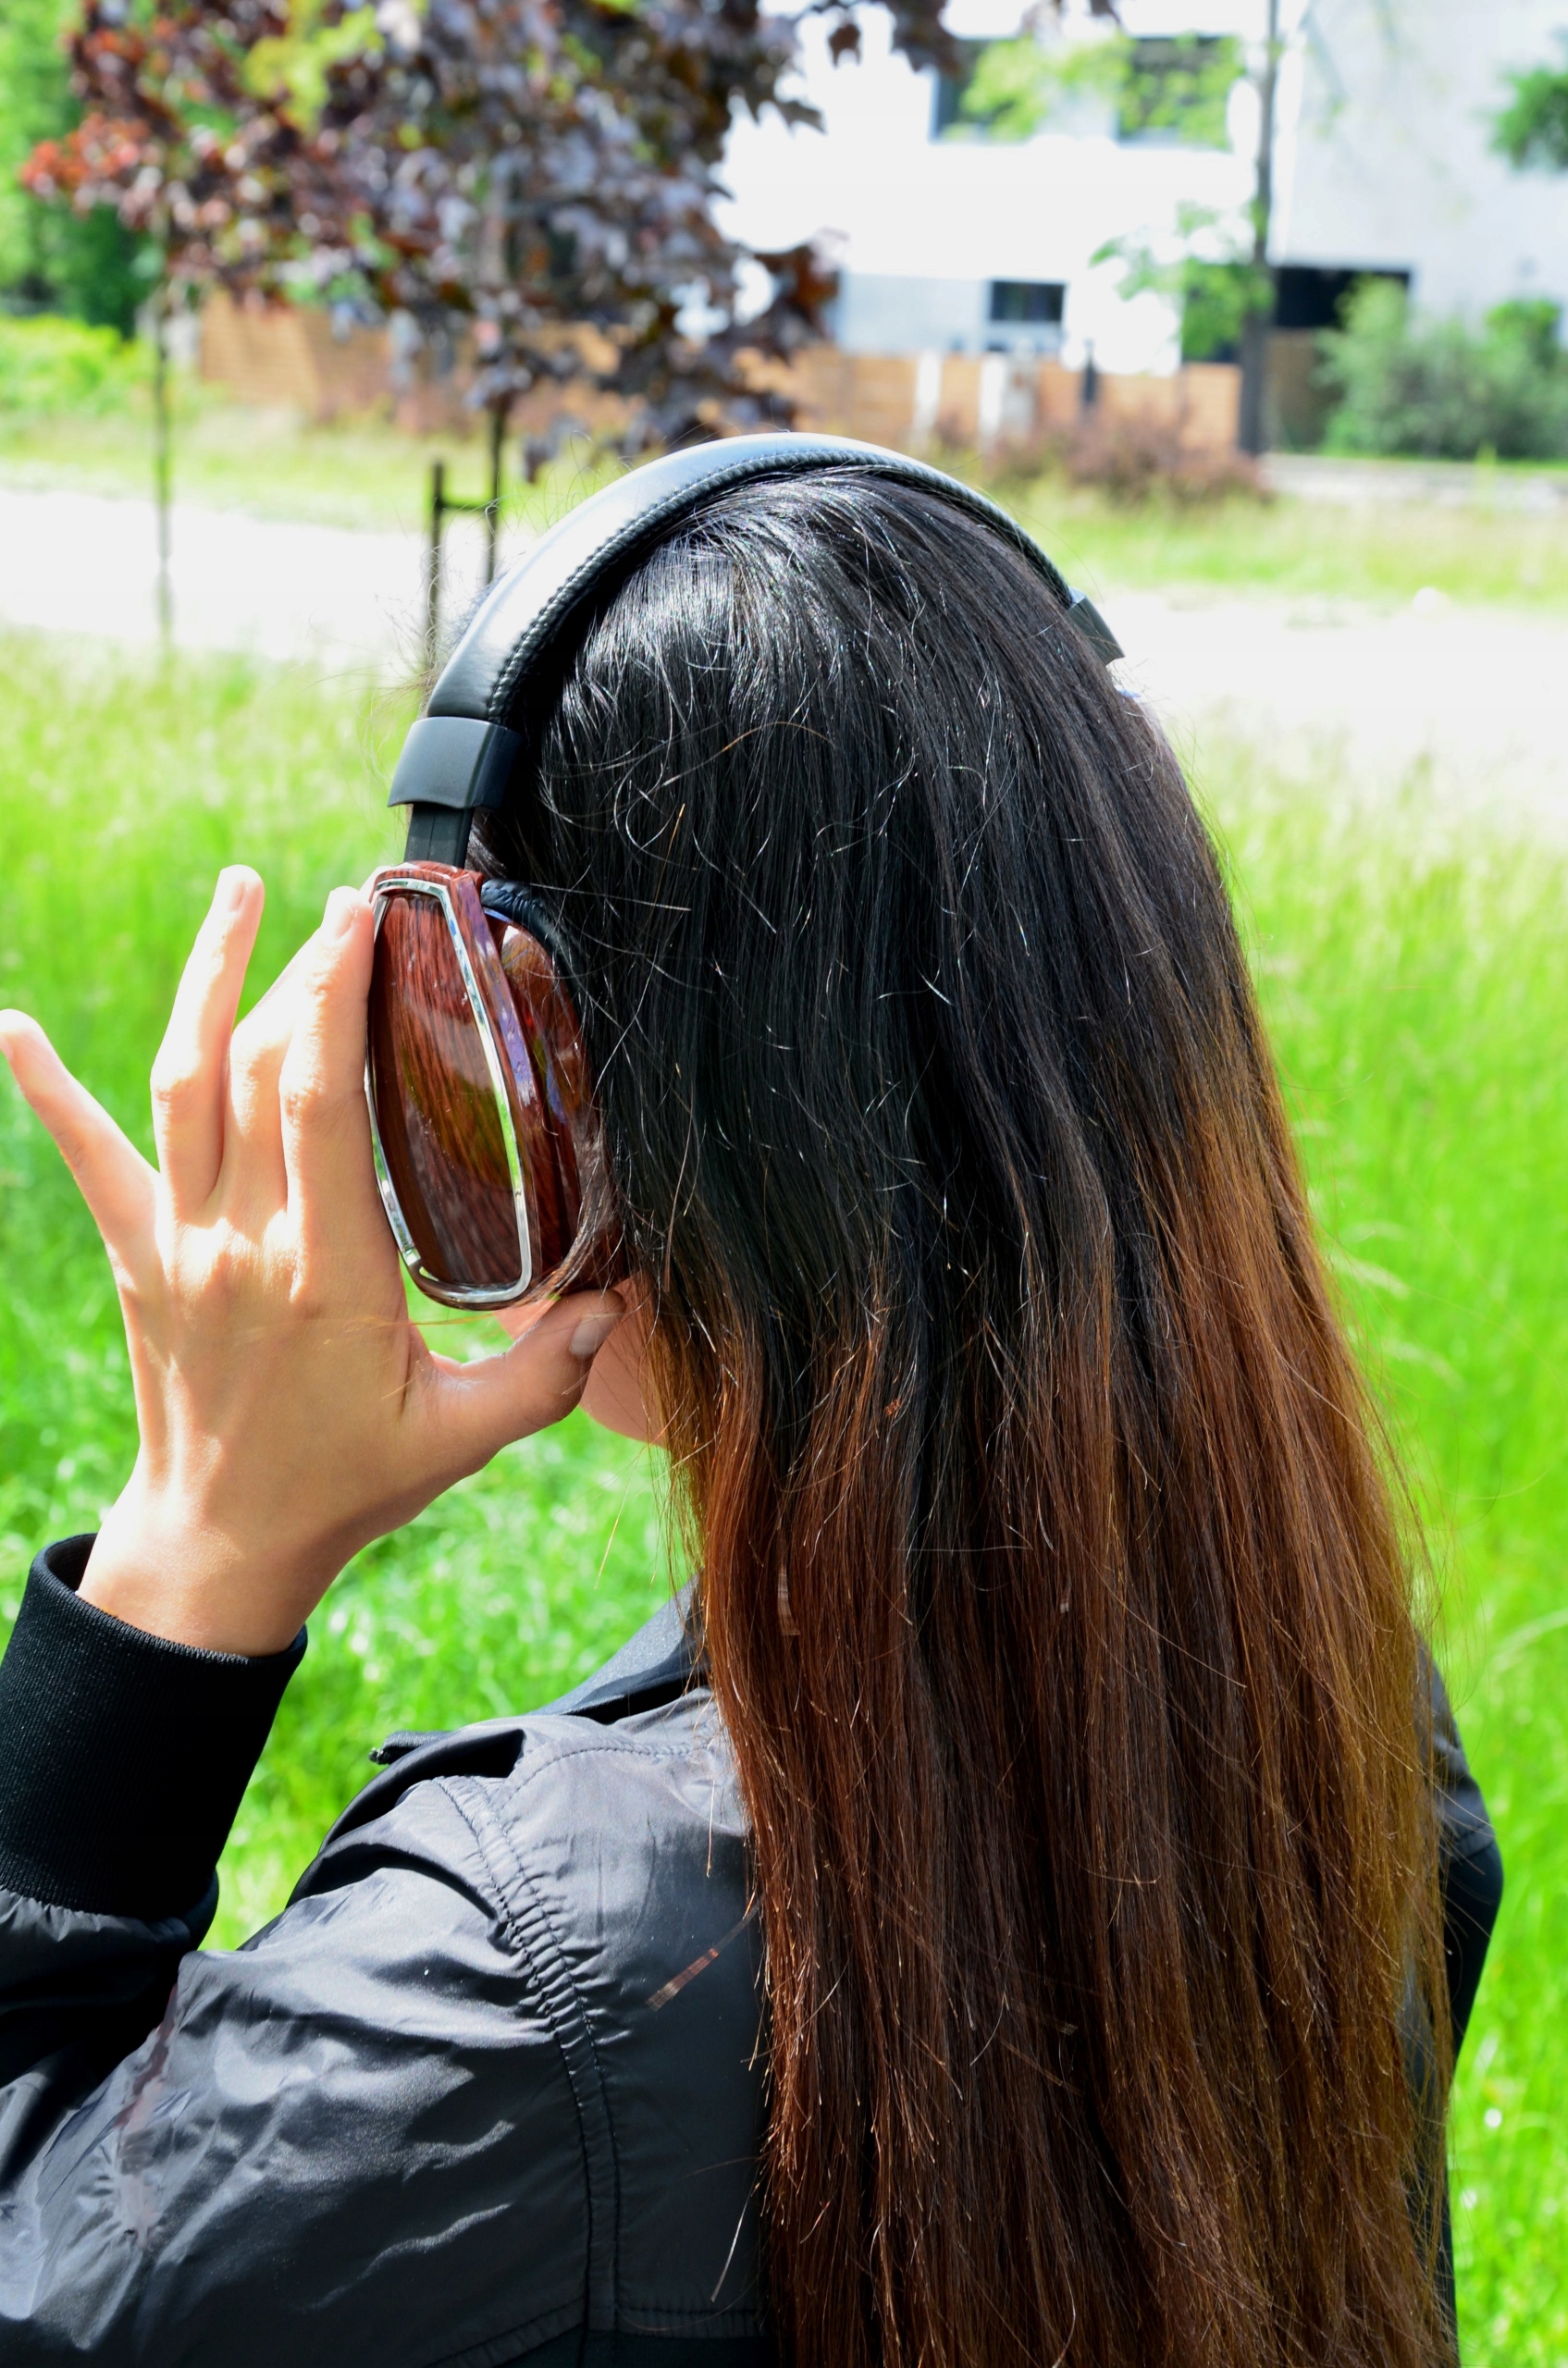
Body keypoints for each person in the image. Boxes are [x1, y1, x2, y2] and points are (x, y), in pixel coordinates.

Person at [0, 457, 1500, 2368]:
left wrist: (186, 1567)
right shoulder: (1337, 1717)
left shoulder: (518, 1996)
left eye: (468, 1042)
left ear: (604, 1104)